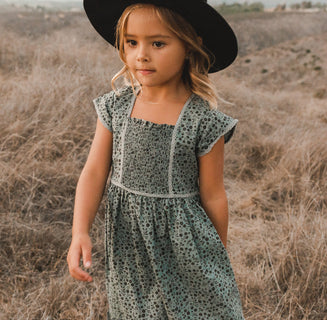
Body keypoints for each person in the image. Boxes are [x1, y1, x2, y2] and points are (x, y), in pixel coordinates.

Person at [67, 0, 245, 318]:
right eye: (131, 42)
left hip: (185, 245)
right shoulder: (115, 107)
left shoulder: (204, 121)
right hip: (129, 244)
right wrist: (80, 230)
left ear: (190, 46)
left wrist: (216, 255)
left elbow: (214, 195)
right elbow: (94, 172)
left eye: (158, 43)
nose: (141, 55)